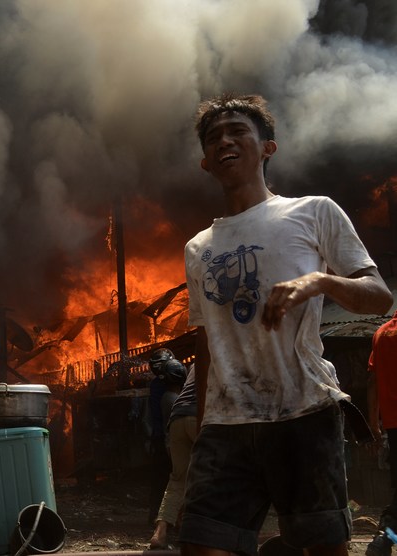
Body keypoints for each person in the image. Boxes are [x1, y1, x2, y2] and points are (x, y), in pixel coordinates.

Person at [181, 93, 393, 556]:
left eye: (238, 130)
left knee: (322, 549)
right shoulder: (198, 248)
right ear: (205, 162)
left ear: (267, 148)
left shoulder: (314, 212)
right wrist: (202, 426)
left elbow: (379, 296)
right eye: (213, 137)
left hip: (304, 411)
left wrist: (318, 281)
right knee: (200, 545)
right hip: (226, 423)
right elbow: (205, 340)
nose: (224, 141)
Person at [150, 360, 197, 550]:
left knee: (178, 479)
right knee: (217, 474)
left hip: (177, 417)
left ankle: (159, 534)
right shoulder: (228, 354)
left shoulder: (195, 365)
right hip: (199, 416)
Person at [366, 309, 397, 556]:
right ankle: (384, 536)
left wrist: (373, 422)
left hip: (392, 423)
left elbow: (372, 382)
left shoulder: (380, 333)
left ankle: (384, 538)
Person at [147, 348, 176, 524]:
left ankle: (156, 514)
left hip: (160, 436)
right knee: (176, 477)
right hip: (170, 435)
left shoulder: (156, 385)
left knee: (160, 477)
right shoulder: (173, 384)